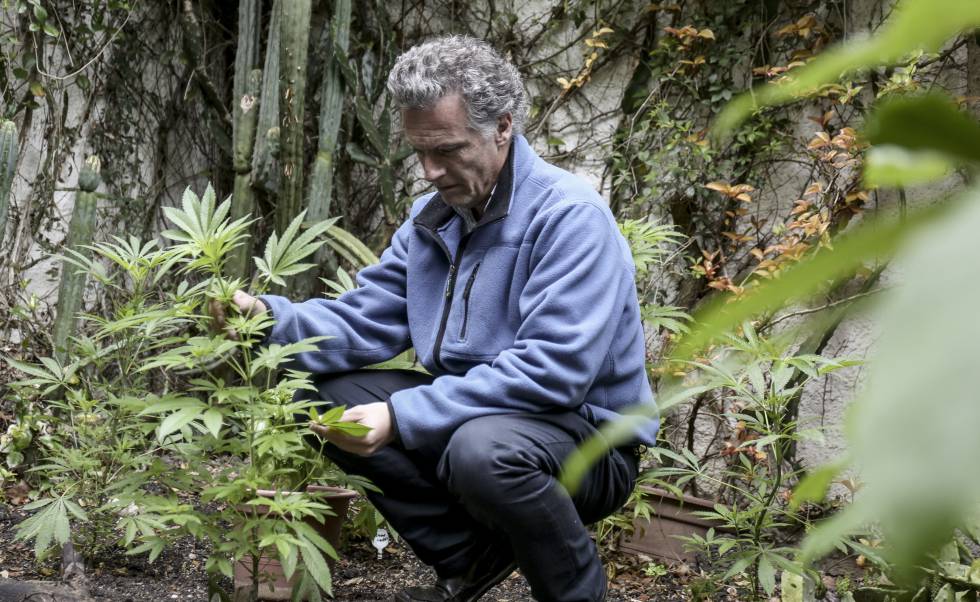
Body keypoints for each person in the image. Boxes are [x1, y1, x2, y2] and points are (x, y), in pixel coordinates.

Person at [220, 35, 658, 602]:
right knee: (317, 387)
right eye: (419, 152)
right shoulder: (437, 218)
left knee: (482, 452)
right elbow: (365, 321)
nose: (429, 171)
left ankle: (575, 592)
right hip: (479, 416)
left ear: (502, 126)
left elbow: (554, 371)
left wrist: (401, 416)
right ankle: (470, 558)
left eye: (447, 150)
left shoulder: (568, 217)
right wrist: (266, 320)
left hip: (587, 438)